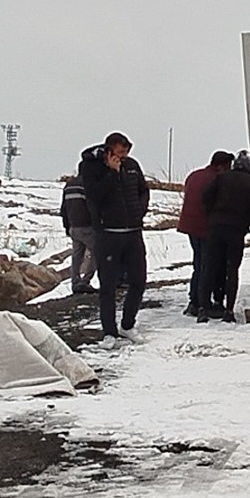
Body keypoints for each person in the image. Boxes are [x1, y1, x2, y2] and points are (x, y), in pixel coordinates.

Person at [79, 132, 150, 348]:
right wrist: (111, 172)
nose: (124, 156)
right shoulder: (90, 167)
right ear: (108, 150)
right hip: (108, 233)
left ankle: (128, 324)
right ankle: (109, 332)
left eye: (126, 152)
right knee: (108, 286)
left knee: (138, 281)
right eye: (120, 152)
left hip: (133, 232)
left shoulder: (132, 165)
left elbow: (143, 190)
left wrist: (139, 211)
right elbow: (93, 195)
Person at [199, 150, 250, 323]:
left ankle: (203, 308)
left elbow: (206, 196)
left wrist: (212, 215)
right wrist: (248, 224)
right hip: (236, 230)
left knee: (209, 267)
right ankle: (229, 310)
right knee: (232, 270)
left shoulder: (221, 177)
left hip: (216, 227)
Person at [177, 151, 234, 318]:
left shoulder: (194, 175)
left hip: (189, 225)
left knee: (199, 263)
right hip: (206, 227)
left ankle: (194, 300)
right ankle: (201, 302)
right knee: (208, 266)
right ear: (222, 166)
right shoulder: (217, 179)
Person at [59, 172, 97, 294]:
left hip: (73, 226)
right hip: (86, 226)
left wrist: (67, 226)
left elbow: (63, 209)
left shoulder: (69, 185)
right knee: (97, 252)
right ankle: (85, 281)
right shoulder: (87, 184)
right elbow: (92, 206)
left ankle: (75, 282)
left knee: (77, 255)